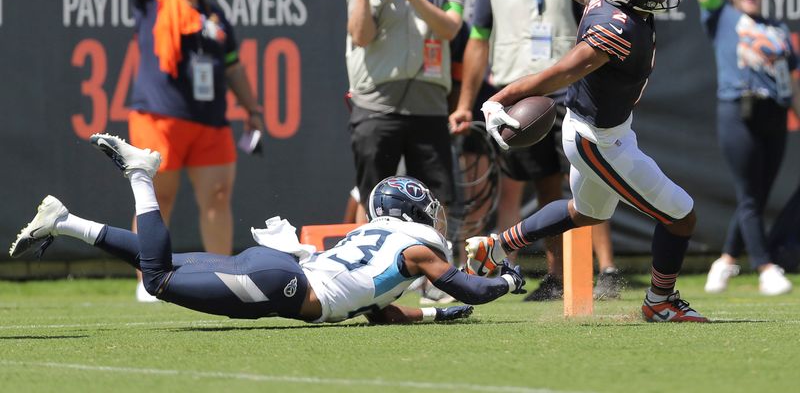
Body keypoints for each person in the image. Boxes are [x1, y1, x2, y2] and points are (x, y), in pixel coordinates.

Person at [9, 134, 525, 324]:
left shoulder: (379, 241)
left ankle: (66, 221)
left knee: (161, 266)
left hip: (279, 268)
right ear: (413, 214)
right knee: (159, 279)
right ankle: (141, 175)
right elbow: (470, 286)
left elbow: (379, 310)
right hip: (287, 285)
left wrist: (437, 318)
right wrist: (508, 280)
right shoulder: (418, 251)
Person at [465, 0, 708, 322]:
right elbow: (560, 72)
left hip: (599, 130)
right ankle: (660, 301)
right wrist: (499, 98)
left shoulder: (612, 2)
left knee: (586, 213)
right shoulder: (616, 30)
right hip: (599, 141)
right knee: (681, 216)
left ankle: (496, 246)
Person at [448, 0, 623, 301]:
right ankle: (556, 276)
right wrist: (463, 103)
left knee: (593, 177)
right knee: (544, 184)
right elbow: (477, 40)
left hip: (573, 88)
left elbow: (604, 26)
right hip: (520, 95)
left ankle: (609, 271)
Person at [108, 0, 264, 302]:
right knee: (159, 197)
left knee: (217, 196)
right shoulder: (152, 0)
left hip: (210, 123)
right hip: (159, 116)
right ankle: (149, 278)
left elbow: (233, 67)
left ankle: (223, 279)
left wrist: (253, 108)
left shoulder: (215, 17)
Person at [666, 0, 800, 295]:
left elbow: (792, 79)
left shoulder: (777, 29)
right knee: (747, 192)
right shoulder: (721, 17)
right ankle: (764, 268)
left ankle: (725, 261)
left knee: (756, 196)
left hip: (774, 114)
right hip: (736, 112)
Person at [345, 0, 463, 216]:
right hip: (377, 106)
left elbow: (450, 28)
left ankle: (439, 262)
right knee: (371, 196)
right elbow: (360, 35)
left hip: (429, 106)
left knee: (435, 198)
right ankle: (365, 262)